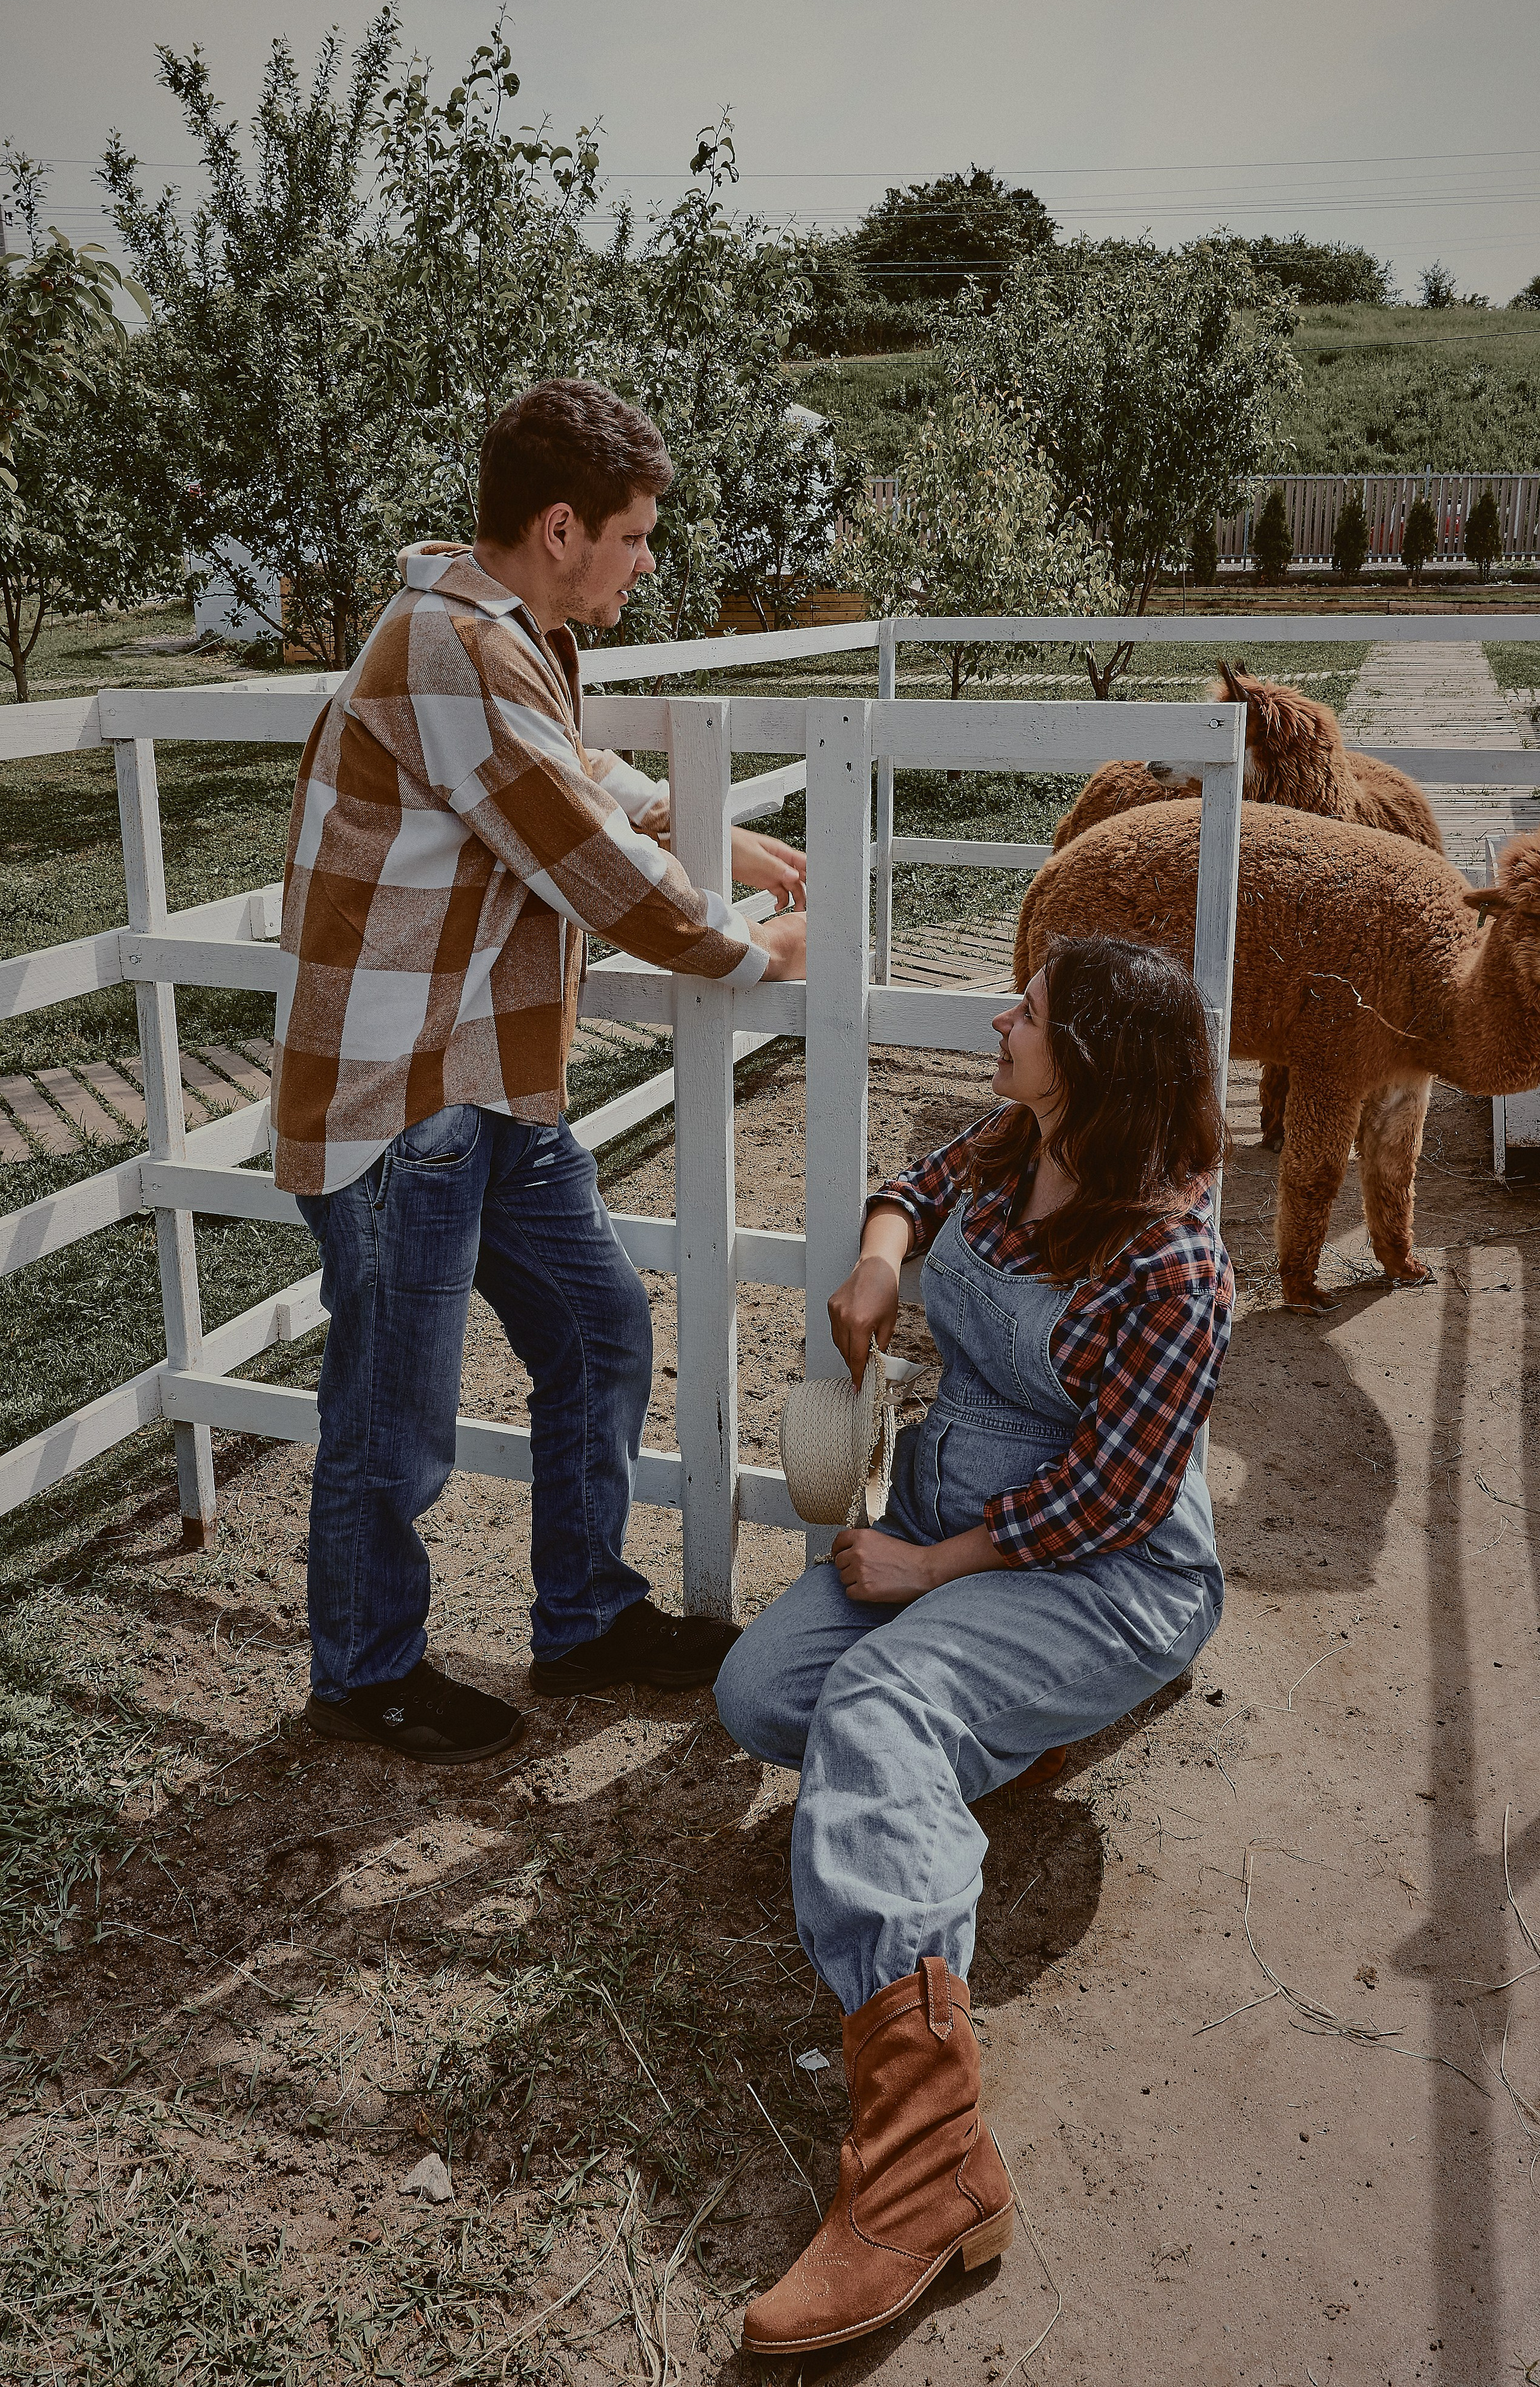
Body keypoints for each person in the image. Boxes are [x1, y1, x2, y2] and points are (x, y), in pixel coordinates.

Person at [272, 378, 808, 1767]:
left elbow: (563, 777)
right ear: (560, 527)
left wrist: (708, 832)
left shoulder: (498, 637)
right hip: (405, 1100)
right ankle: (365, 1671)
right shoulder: (448, 644)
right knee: (393, 1414)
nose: (645, 559)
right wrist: (751, 946)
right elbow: (578, 855)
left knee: (597, 1332)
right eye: (632, 535)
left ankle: (582, 1618)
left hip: (485, 1085)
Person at [715, 934, 1234, 2357]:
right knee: (760, 1697)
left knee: (877, 1690)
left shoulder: (1175, 1260)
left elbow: (1109, 1494)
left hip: (1099, 1562)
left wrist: (926, 1563)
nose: (1000, 1020)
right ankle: (987, 1737)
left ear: (1095, 1063)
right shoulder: (1016, 1140)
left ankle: (925, 2166)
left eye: (1030, 1010)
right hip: (959, 1497)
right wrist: (881, 1265)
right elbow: (915, 1184)